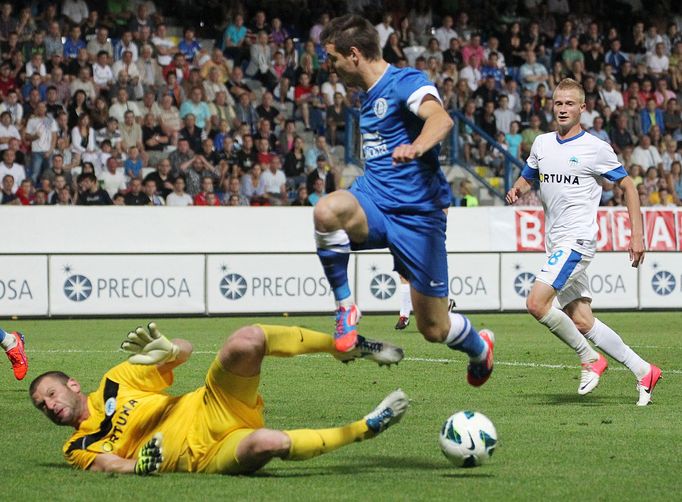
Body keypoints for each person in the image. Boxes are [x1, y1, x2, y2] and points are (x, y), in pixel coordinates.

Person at [315, 15, 494, 387]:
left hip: (418, 218)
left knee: (434, 327)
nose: (330, 69)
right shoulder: (366, 98)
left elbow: (441, 119)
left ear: (353, 55)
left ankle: (480, 349)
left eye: (332, 59)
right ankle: (346, 308)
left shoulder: (405, 82)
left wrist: (416, 146)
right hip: (375, 201)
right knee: (327, 211)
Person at [29, 321, 407, 474]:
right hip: (204, 456)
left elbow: (186, 348)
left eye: (50, 393)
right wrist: (139, 466)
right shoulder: (77, 444)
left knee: (247, 339)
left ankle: (343, 346)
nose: (48, 404)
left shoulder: (115, 381)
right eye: (41, 405)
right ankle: (365, 428)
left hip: (212, 403)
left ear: (73, 384)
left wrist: (167, 351)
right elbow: (107, 465)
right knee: (269, 442)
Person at [506, 78, 661, 406]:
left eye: (569, 104)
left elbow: (629, 186)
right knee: (581, 320)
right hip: (556, 241)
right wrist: (518, 188)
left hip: (576, 241)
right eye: (558, 103)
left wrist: (637, 235)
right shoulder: (542, 144)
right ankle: (643, 370)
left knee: (536, 303)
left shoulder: (596, 148)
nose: (562, 109)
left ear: (582, 108)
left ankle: (589, 358)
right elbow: (529, 173)